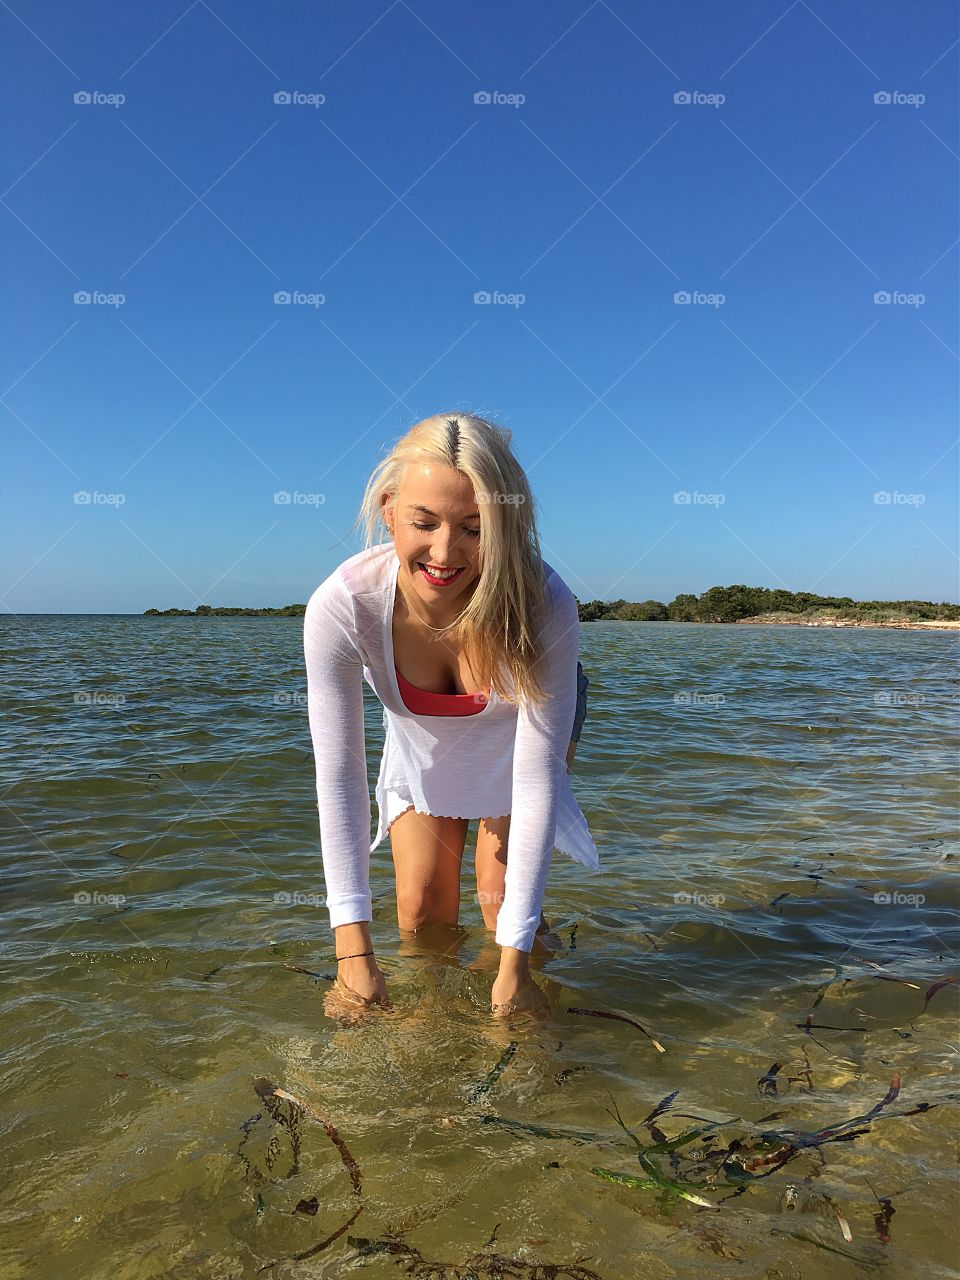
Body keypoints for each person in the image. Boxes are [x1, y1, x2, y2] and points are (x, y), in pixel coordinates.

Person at [303, 412, 600, 1018]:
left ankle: (519, 994)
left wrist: (513, 968)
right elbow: (338, 778)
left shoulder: (544, 603)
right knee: (419, 907)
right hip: (421, 740)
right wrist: (352, 957)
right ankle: (432, 1020)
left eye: (474, 527)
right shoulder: (345, 604)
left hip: (526, 735)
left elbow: (537, 778)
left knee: (501, 903)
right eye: (424, 522)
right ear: (389, 511)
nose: (445, 552)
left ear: (507, 524)